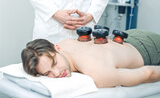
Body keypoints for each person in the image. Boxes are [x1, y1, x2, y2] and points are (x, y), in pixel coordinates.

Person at [21, 29, 160, 88]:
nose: (56, 73)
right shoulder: (62, 45)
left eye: (55, 64)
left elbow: (148, 73)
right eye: (47, 73)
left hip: (150, 49)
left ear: (57, 48)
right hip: (128, 36)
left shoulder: (97, 72)